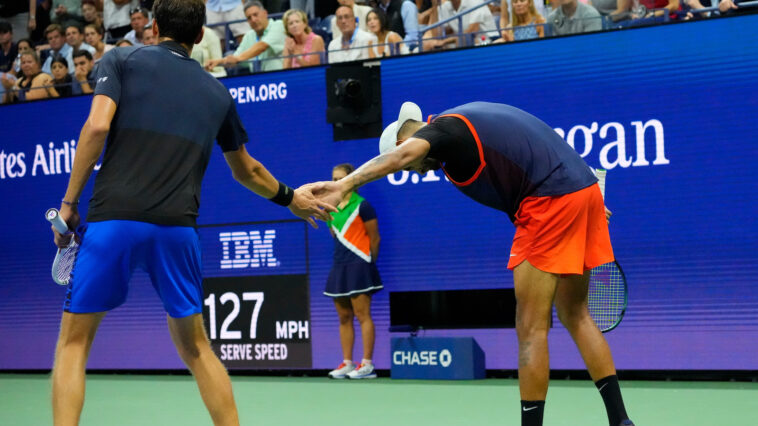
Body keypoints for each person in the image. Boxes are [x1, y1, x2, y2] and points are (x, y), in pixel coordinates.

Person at [48, 1, 334, 425]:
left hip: (114, 222)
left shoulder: (121, 59)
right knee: (197, 348)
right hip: (177, 231)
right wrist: (291, 199)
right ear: (199, 37)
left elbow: (96, 127)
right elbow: (248, 170)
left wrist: (69, 204)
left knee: (72, 345)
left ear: (154, 27)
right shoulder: (216, 91)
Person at [308, 101, 635, 426]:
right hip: (580, 188)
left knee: (531, 327)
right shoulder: (460, 142)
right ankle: (621, 420)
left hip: (551, 199)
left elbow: (402, 156)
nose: (417, 171)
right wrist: (581, 197)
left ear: (405, 143)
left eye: (411, 167)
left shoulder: (444, 129)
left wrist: (345, 184)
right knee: (575, 314)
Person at [325, 163, 383, 380]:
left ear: (352, 180)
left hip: (360, 265)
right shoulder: (331, 207)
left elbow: (374, 238)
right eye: (333, 178)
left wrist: (368, 262)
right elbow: (334, 234)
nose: (335, 182)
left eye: (339, 178)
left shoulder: (363, 206)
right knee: (343, 317)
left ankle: (367, 364)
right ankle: (347, 363)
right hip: (340, 265)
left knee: (362, 315)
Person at [205, 1, 286, 73]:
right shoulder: (249, 35)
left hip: (280, 78)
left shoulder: (278, 25)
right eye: (249, 18)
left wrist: (238, 58)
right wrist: (218, 62)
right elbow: (235, 58)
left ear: (265, 13)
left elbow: (262, 46)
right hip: (257, 81)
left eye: (255, 15)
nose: (253, 20)